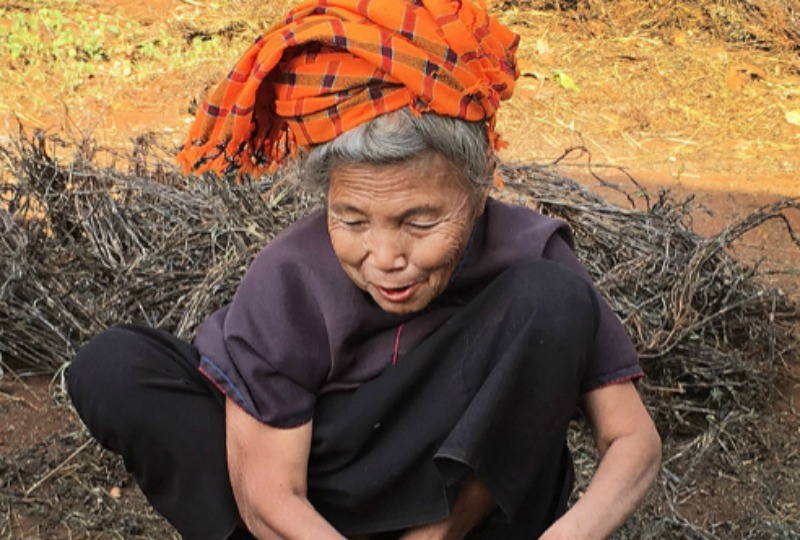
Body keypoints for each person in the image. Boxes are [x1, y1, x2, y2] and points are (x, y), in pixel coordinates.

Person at [67, 1, 662, 539]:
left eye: (419, 224)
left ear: (479, 191)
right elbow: (269, 496)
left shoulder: (533, 256)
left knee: (551, 301)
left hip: (471, 505)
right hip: (321, 501)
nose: (385, 259)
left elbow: (634, 442)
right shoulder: (289, 280)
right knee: (117, 366)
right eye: (352, 220)